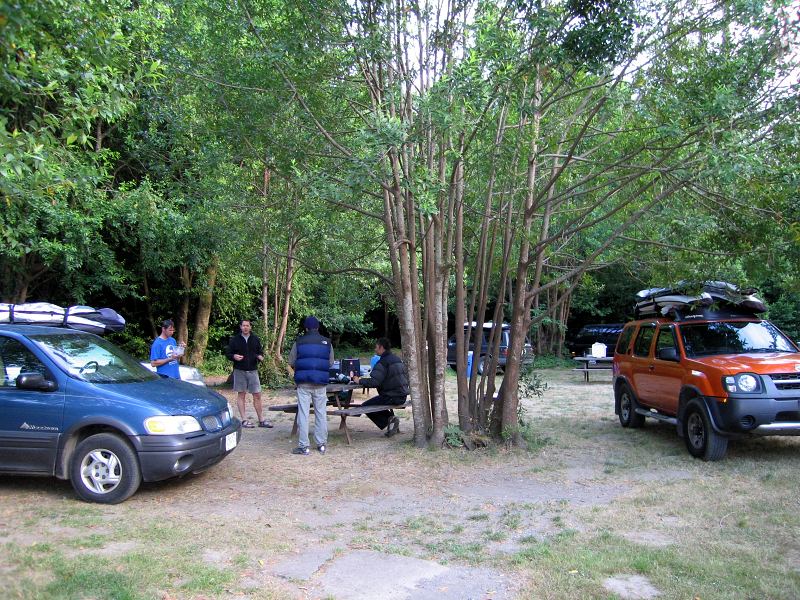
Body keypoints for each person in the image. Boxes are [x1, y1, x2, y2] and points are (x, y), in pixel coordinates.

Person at [288, 316, 334, 455]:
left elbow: (291, 361)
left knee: (303, 413)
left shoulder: (299, 342)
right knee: (321, 413)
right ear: (318, 327)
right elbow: (330, 362)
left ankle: (304, 446)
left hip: (303, 383)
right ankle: (321, 444)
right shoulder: (327, 342)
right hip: (320, 383)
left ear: (306, 328)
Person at [353, 337, 409, 437]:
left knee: (366, 406)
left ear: (381, 347)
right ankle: (391, 419)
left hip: (391, 396)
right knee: (375, 402)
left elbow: (374, 382)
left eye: (376, 347)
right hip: (402, 395)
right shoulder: (397, 360)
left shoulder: (383, 362)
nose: (375, 349)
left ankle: (390, 420)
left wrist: (359, 380)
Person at [225, 319, 271, 429]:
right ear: (240, 327)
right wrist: (234, 356)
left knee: (257, 394)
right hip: (239, 370)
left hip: (253, 370)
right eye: (243, 325)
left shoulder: (255, 339)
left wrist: (260, 357)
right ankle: (244, 420)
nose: (245, 327)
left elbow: (260, 352)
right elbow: (228, 353)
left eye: (247, 325)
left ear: (250, 327)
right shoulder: (235, 340)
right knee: (241, 394)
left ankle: (261, 420)